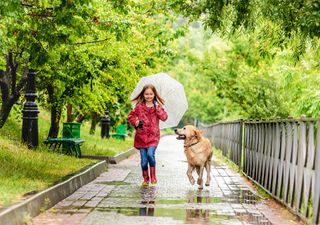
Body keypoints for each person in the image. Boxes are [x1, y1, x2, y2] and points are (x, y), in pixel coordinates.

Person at [128, 84, 168, 186]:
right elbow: (131, 116)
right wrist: (135, 122)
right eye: (146, 94)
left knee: (150, 155)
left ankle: (153, 177)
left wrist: (158, 109)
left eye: (151, 94)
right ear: (143, 94)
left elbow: (164, 117)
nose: (148, 96)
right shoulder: (139, 107)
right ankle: (146, 179)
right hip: (141, 137)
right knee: (144, 162)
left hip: (153, 137)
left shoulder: (158, 107)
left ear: (154, 95)